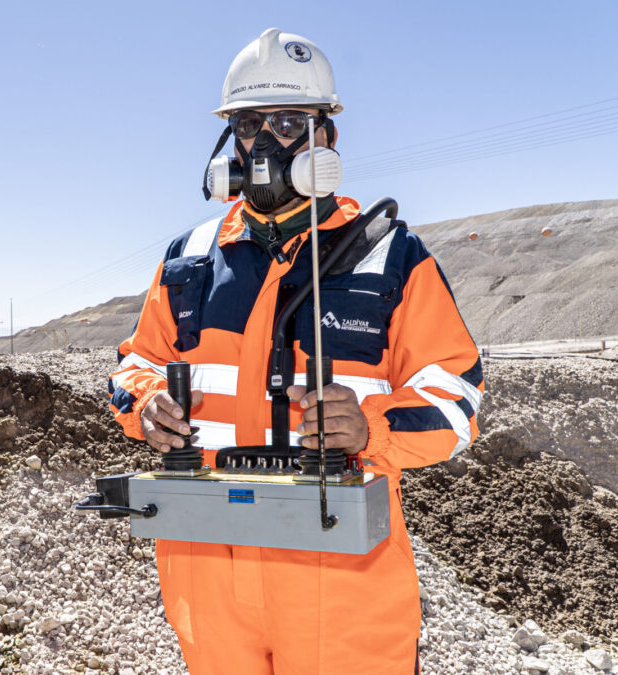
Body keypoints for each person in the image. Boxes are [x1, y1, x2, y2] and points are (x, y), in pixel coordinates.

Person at [108, 28, 483, 674]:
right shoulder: (188, 262)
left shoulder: (391, 260)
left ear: (325, 140)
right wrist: (144, 406)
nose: (264, 144)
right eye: (249, 124)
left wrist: (372, 426)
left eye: (287, 123)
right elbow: (132, 366)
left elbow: (459, 398)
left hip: (341, 588)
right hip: (209, 579)